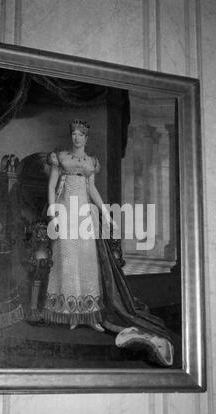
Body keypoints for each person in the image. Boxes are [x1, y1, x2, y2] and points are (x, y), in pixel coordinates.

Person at [42, 119, 174, 367]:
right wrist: (53, 213)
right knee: (68, 262)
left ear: (87, 138)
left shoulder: (91, 162)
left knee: (88, 263)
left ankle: (90, 316)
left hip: (85, 215)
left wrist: (106, 214)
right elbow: (51, 186)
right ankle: (73, 314)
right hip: (66, 214)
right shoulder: (60, 158)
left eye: (81, 134)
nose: (76, 138)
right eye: (74, 134)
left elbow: (92, 189)